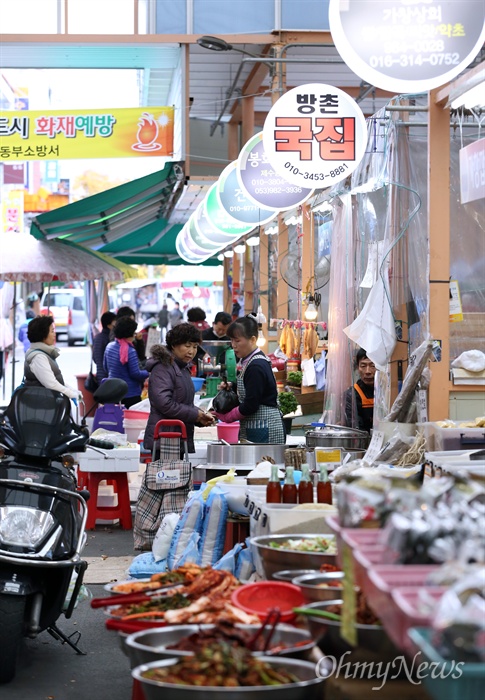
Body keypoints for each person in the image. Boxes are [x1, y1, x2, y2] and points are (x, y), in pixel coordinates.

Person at [143, 323, 215, 456]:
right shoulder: (163, 368)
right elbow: (165, 403)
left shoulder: (182, 368)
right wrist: (195, 415)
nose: (191, 351)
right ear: (174, 345)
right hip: (165, 437)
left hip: (177, 435)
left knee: (178, 476)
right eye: (187, 346)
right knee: (166, 476)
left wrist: (199, 416)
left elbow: (183, 402)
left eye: (194, 347)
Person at [212, 315, 285, 444]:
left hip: (265, 427)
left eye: (237, 340)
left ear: (252, 340)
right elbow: (253, 387)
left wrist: (227, 417)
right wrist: (232, 386)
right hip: (258, 425)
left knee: (266, 463)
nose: (233, 345)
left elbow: (251, 404)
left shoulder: (256, 365)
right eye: (231, 340)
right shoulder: (250, 361)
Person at [23, 315, 82, 401]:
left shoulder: (43, 353)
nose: (54, 334)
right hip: (42, 406)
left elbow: (56, 380)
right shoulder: (38, 357)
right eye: (52, 331)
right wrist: (71, 394)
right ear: (43, 335)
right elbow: (51, 384)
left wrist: (73, 390)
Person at [103, 317, 149, 408]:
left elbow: (105, 368)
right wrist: (149, 373)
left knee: (117, 420)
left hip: (113, 393)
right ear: (130, 333)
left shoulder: (109, 346)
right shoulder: (129, 350)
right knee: (130, 421)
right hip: (130, 394)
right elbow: (135, 374)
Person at [344, 348, 376, 433]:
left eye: (372, 366)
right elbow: (355, 429)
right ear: (358, 367)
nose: (368, 371)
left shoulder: (387, 392)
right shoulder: (352, 395)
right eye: (363, 366)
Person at [92, 311, 116, 382]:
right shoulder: (110, 339)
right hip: (108, 376)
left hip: (99, 375)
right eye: (115, 323)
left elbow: (95, 358)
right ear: (109, 325)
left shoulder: (97, 337)